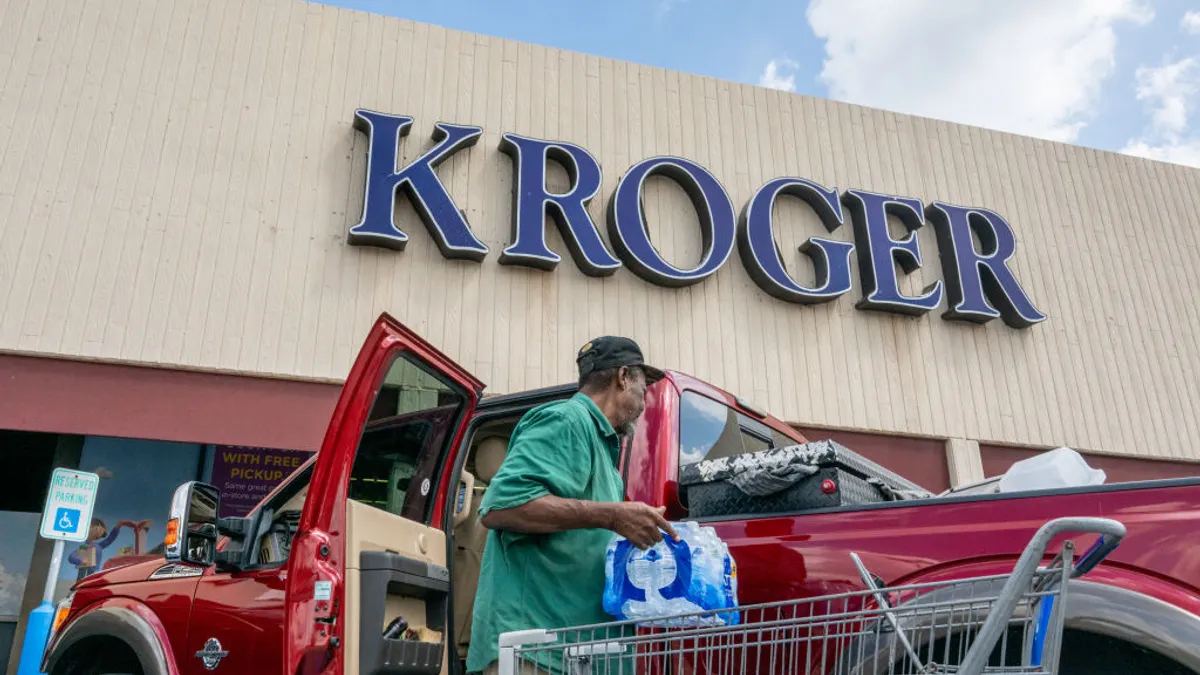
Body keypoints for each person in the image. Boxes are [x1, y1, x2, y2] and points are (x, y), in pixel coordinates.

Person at [465, 336, 681, 675]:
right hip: (535, 652)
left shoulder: (603, 449)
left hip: (571, 653)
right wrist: (612, 515)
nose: (644, 400)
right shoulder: (567, 421)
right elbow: (501, 506)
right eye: (643, 386)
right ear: (623, 376)